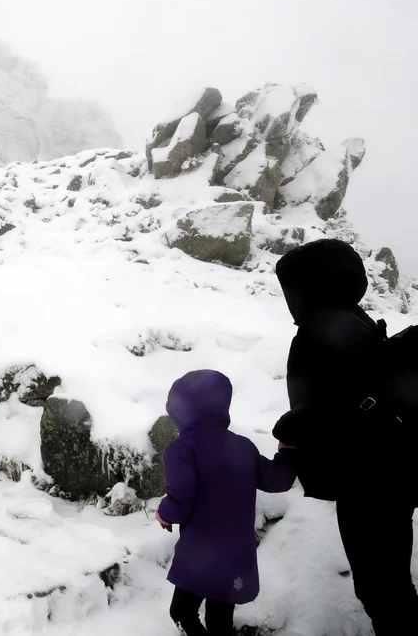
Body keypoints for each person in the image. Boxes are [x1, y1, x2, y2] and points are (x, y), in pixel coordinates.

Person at [272, 238, 418, 634]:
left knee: (380, 586)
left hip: (369, 479)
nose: (289, 298)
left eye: (291, 288)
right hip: (391, 467)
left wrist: (290, 429)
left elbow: (337, 405)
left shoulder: (322, 332)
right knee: (389, 579)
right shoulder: (354, 319)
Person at [156, 369, 296, 636]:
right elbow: (278, 480)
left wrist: (164, 513)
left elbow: (181, 498)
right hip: (234, 557)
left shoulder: (182, 449)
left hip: (199, 556)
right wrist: (288, 455)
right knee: (220, 623)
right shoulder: (242, 446)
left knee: (182, 612)